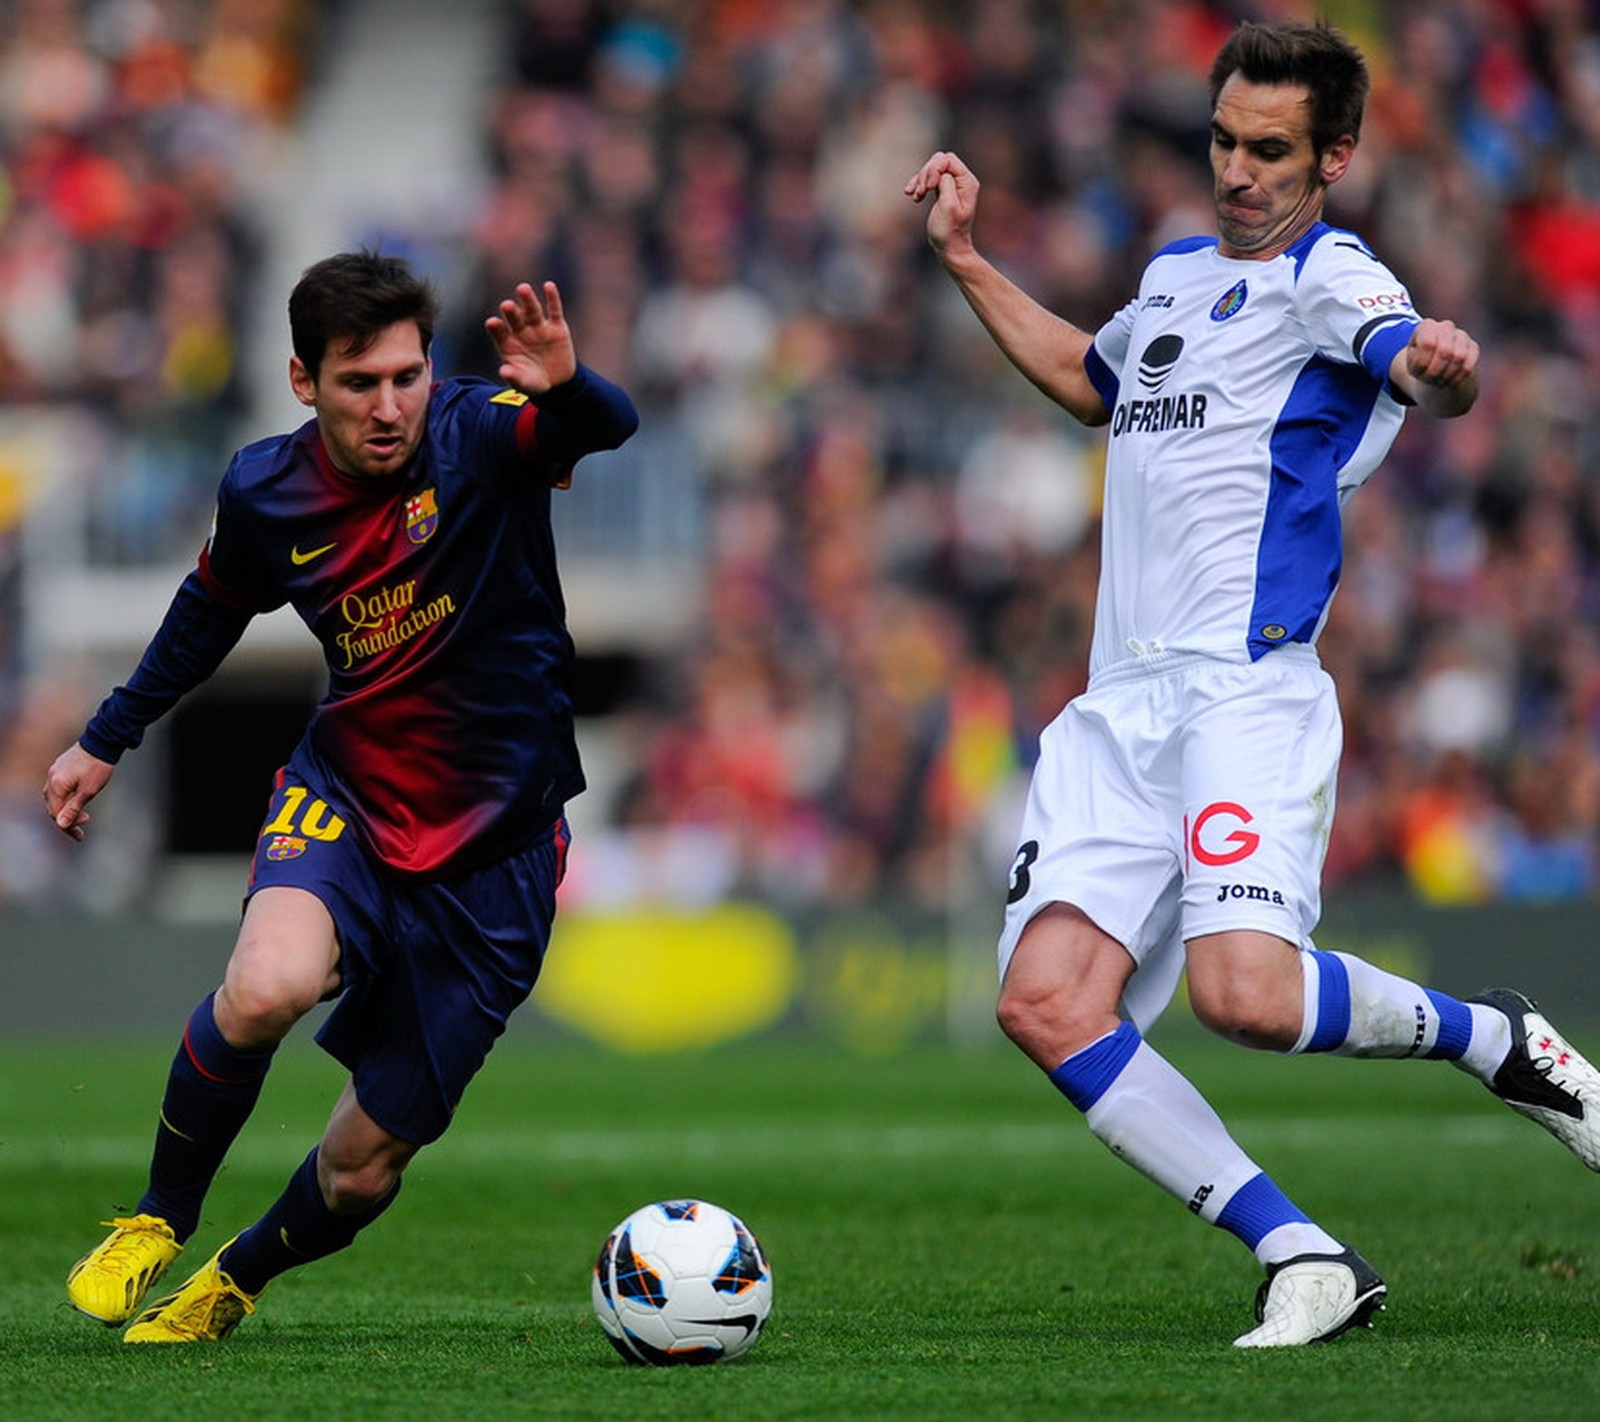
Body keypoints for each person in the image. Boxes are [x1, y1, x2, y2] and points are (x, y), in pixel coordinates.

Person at [906, 19, 1600, 1349]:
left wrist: (1436, 371)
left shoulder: (1332, 276)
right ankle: (1302, 1250)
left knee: (1248, 1000)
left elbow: (1401, 353)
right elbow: (1085, 380)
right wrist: (968, 263)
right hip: (1119, 707)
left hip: (1242, 691)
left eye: (1270, 149)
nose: (1237, 170)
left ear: (1334, 156)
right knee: (1043, 1001)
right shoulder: (1171, 281)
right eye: (1223, 140)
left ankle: (1493, 1039)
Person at [46, 250, 638, 1342]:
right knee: (266, 984)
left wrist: (569, 383)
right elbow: (209, 608)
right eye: (359, 382)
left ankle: (234, 1276)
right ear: (302, 380)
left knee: (362, 1171)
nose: (390, 405)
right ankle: (156, 1219)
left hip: (499, 850)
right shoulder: (265, 488)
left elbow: (603, 428)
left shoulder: (479, 433)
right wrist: (106, 737)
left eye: (407, 375)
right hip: (351, 797)